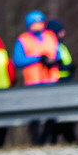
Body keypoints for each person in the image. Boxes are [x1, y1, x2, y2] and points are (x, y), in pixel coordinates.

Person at [13, 10, 61, 145]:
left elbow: (57, 55)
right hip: (33, 82)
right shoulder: (23, 39)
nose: (37, 26)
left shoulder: (50, 37)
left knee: (52, 113)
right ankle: (36, 141)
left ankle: (46, 139)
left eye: (40, 23)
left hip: (51, 80)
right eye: (34, 24)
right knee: (34, 116)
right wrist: (38, 59)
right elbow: (18, 60)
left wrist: (52, 62)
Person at [46, 18, 78, 144]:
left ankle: (68, 137)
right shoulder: (53, 47)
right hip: (58, 83)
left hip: (66, 83)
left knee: (66, 115)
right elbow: (56, 64)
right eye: (60, 31)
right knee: (59, 116)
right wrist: (67, 68)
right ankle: (67, 138)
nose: (63, 33)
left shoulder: (61, 46)